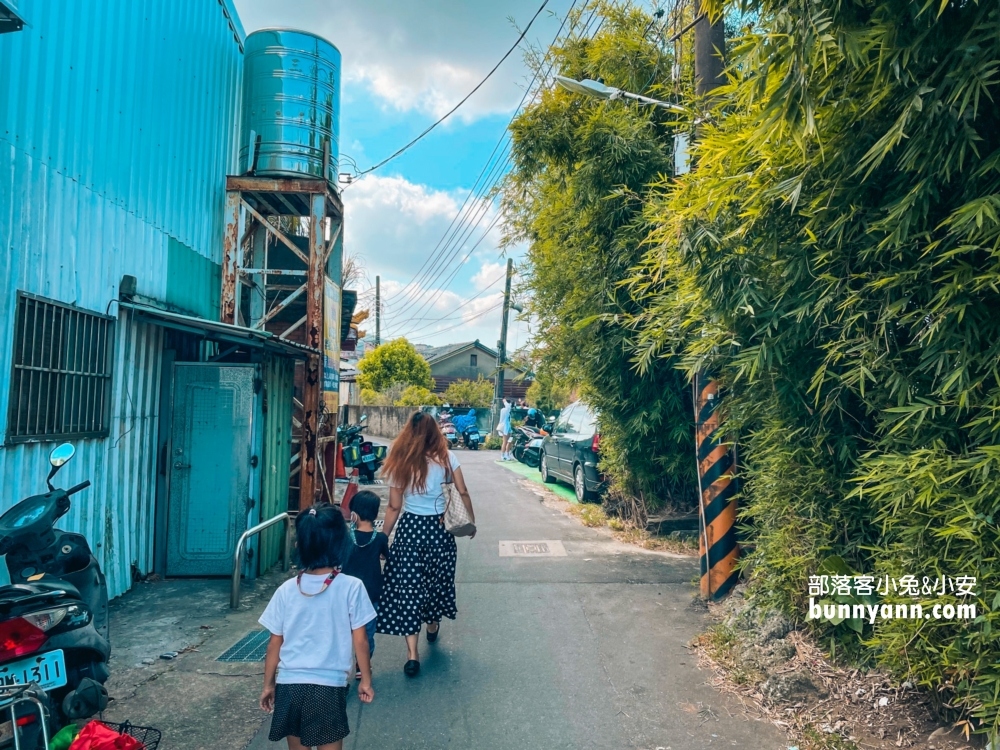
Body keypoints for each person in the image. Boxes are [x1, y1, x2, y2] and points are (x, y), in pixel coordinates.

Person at [259, 503, 376, 750]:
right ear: (340, 542)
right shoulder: (351, 587)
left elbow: (274, 644)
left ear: (299, 544)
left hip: (289, 685)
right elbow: (361, 641)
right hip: (327, 687)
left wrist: (269, 685)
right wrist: (365, 679)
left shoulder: (286, 590)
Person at [378, 412, 476, 677]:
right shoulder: (447, 458)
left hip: (410, 531)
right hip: (439, 532)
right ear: (436, 432)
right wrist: (470, 522)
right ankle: (432, 626)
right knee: (436, 582)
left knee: (409, 589)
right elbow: (463, 491)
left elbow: (394, 507)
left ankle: (412, 655)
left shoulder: (400, 461)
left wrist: (382, 538)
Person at [342, 491, 390, 681]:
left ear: (355, 513)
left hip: (346, 594)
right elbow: (387, 557)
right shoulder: (379, 539)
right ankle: (363, 664)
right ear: (375, 514)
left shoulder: (346, 537)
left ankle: (343, 666)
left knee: (344, 631)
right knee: (367, 632)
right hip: (371, 593)